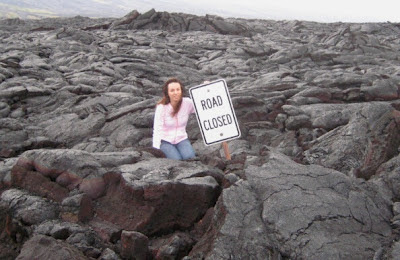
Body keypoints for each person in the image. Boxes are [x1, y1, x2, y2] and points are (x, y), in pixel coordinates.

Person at [152, 78, 196, 160]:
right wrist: (156, 149)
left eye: (178, 90)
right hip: (165, 141)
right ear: (167, 93)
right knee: (177, 161)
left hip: (182, 139)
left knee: (190, 158)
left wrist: (206, 87)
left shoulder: (187, 103)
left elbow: (201, 106)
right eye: (172, 90)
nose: (175, 93)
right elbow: (157, 129)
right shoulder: (161, 107)